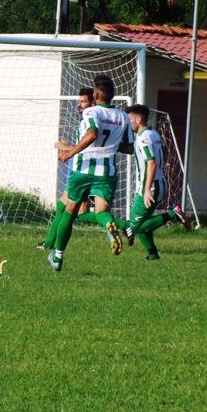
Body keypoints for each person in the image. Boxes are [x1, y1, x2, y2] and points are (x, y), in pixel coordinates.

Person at [47, 74, 133, 271]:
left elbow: (92, 134)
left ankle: (58, 257)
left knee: (70, 211)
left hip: (84, 169)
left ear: (95, 95)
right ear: (112, 96)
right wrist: (112, 145)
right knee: (102, 211)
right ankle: (110, 225)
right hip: (107, 172)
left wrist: (69, 153)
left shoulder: (91, 112)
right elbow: (129, 148)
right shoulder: (123, 117)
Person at [111, 104, 192, 260]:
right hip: (160, 183)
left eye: (130, 119)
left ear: (138, 119)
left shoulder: (143, 138)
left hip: (149, 188)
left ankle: (173, 215)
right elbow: (160, 153)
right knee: (141, 224)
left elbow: (152, 162)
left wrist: (147, 189)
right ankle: (153, 254)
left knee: (133, 227)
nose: (128, 123)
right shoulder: (153, 134)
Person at [38, 87, 100, 250]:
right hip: (82, 169)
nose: (79, 105)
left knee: (80, 213)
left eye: (83, 102)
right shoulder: (87, 120)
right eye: (79, 101)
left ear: (93, 102)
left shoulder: (92, 121)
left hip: (87, 171)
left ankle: (120, 224)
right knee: (63, 207)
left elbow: (89, 148)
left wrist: (65, 148)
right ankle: (49, 242)